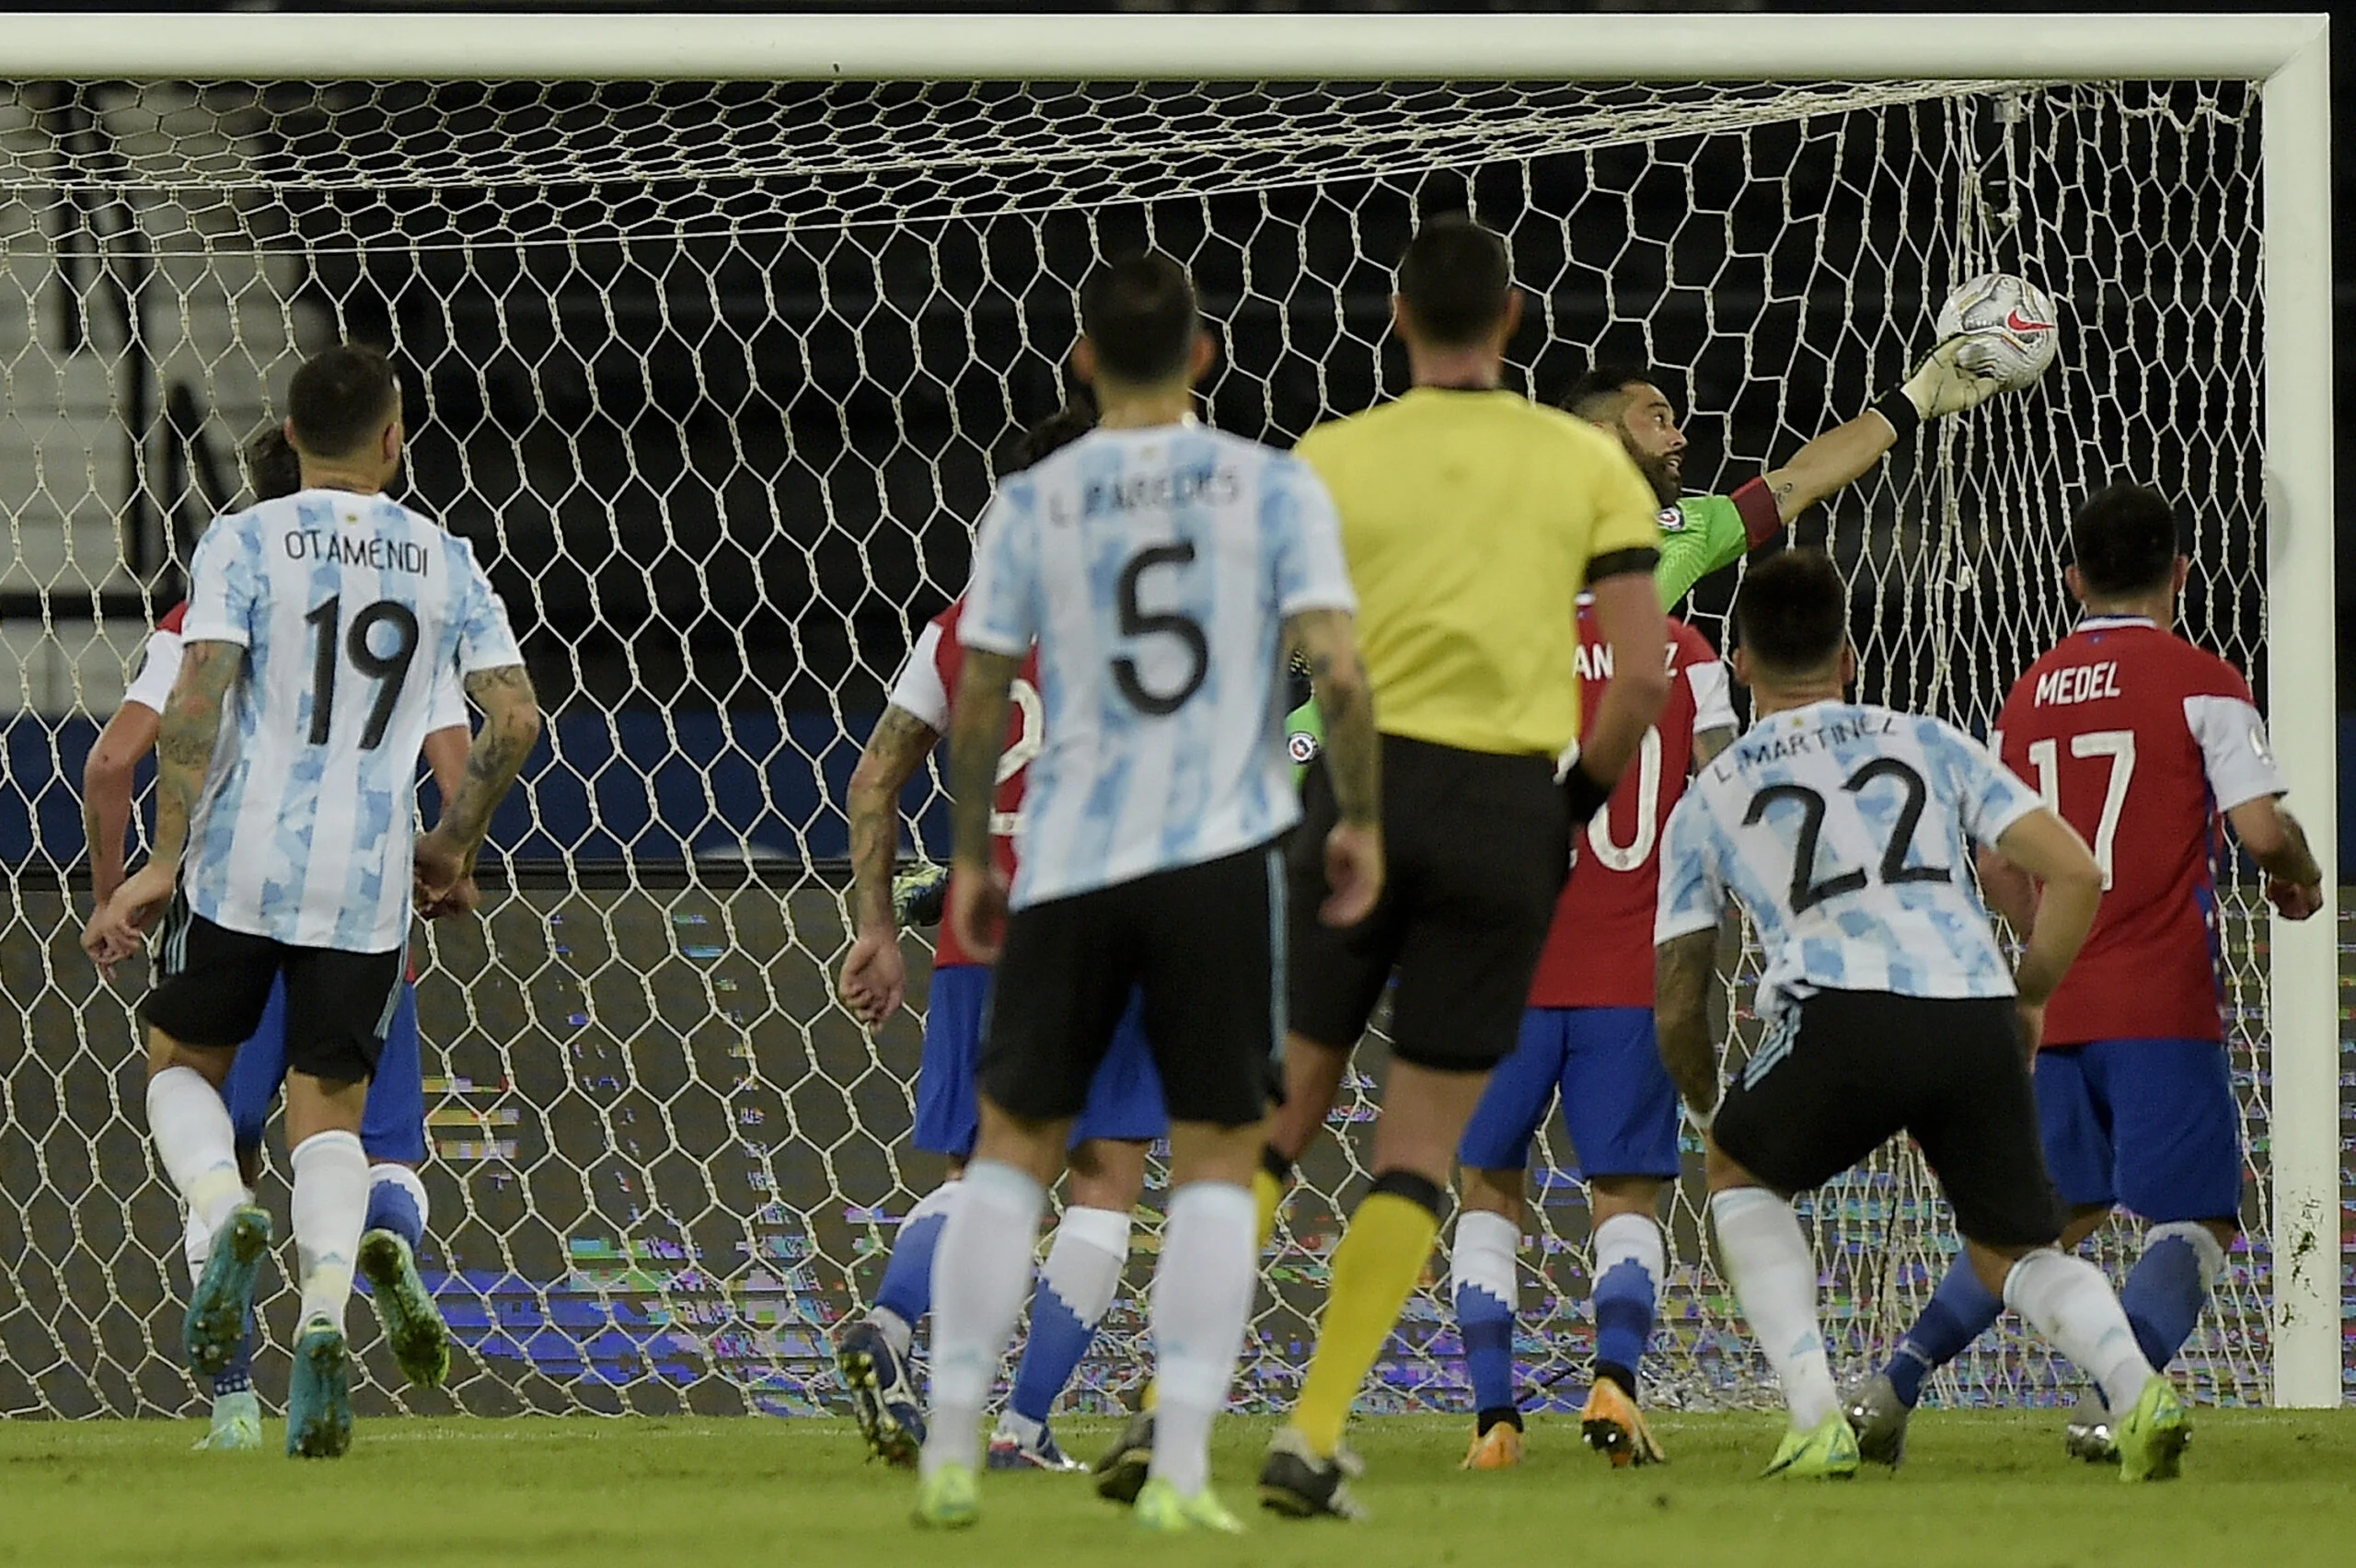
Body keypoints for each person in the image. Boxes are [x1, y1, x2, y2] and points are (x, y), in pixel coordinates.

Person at [911, 252, 1378, 1534]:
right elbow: (1338, 675)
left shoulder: (1033, 499)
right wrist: (1363, 824)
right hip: (1220, 860)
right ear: (1206, 355)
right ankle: (1176, 1466)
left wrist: (967, 855)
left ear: (1080, 357)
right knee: (1218, 1164)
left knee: (1012, 1150)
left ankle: (953, 1449)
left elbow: (986, 689)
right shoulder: (1275, 487)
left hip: (1067, 857)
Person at [1227, 213, 1669, 1523]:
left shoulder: (1328, 457)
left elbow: (1289, 656)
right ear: (1516, 319)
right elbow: (1638, 675)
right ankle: (1312, 1433)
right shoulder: (1577, 464)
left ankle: (1170, 1402)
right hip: (1498, 811)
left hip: (1356, 786)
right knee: (1419, 1148)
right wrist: (1562, 811)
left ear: (1396, 319)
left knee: (1283, 1112)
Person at [84, 343, 540, 1458]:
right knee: (331, 1115)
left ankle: (223, 1212)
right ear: (395, 440)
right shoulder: (442, 555)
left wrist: (160, 858)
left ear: (286, 438)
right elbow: (516, 720)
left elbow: (197, 699)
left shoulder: (240, 540)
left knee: (180, 1073)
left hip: (241, 862)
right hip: (366, 881)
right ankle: (325, 1331)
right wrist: (450, 842)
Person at [1651, 548, 2189, 1482]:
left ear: (1738, 663)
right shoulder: (1925, 738)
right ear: (1849, 655)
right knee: (2012, 1243)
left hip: (1839, 1010)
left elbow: (1676, 998)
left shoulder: (1712, 794)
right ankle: (2138, 1392)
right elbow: (2075, 871)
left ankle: (1817, 1419)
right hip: (1971, 1008)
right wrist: (2028, 994)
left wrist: (1706, 1112)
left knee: (1740, 1168)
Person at [1850, 482, 2325, 1463]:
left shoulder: (2023, 695)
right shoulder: (2204, 680)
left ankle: (1888, 1389)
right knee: (2193, 1215)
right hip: (2162, 1002)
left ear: (2071, 577)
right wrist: (2300, 874)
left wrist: (2051, 938)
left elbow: (1992, 860)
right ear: (2181, 574)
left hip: (2056, 1001)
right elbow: (2260, 829)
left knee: (2044, 1220)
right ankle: (2127, 1399)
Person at [834, 404, 1170, 1476]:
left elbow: (874, 779)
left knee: (986, 1177)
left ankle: (888, 1324)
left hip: (980, 944)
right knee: (1105, 1178)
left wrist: (878, 930)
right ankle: (1021, 1428)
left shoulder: (960, 625)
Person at [1449, 606, 1736, 1472]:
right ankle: (1614, 1380)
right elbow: (1727, 789)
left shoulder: (1495, 638)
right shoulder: (1684, 651)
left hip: (1505, 974)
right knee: (1625, 1196)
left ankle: (1495, 1423)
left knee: (1487, 1186)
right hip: (1632, 974)